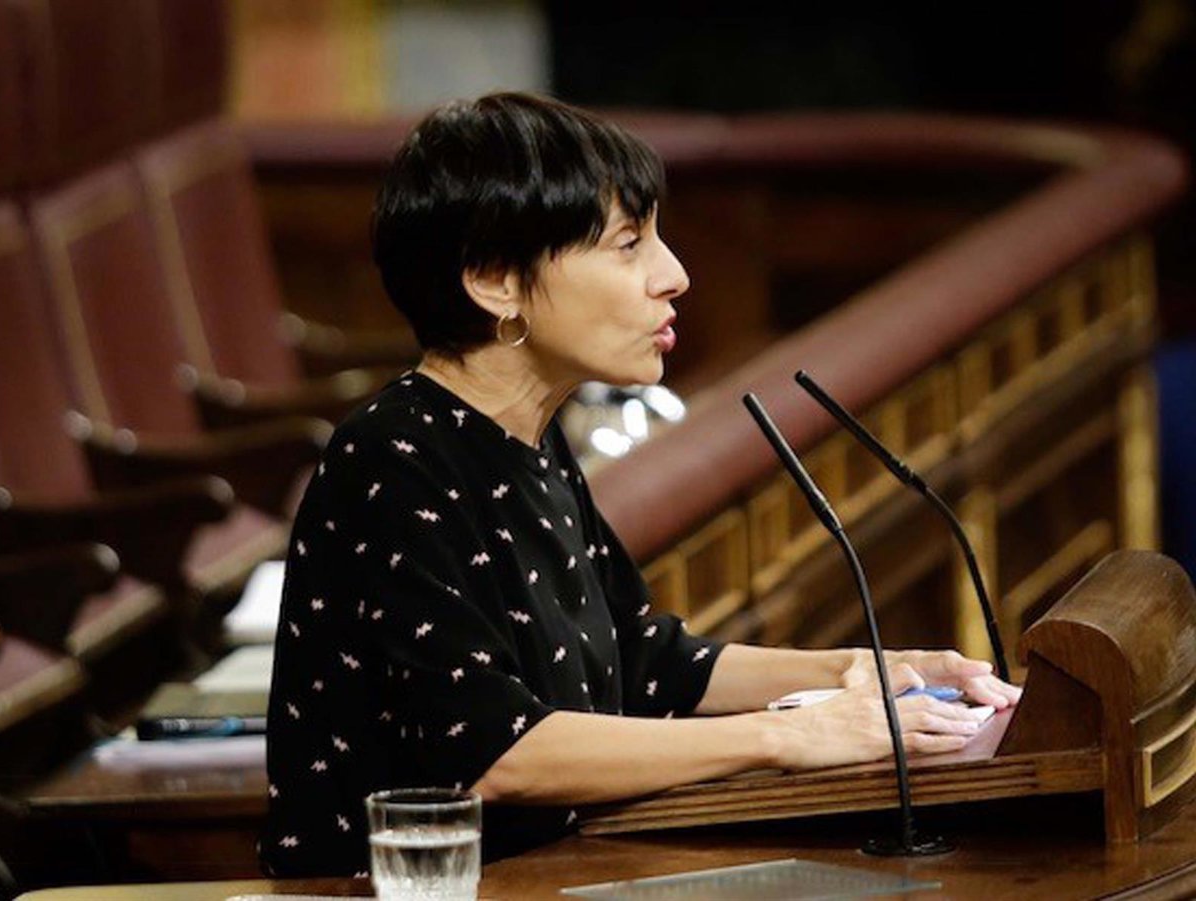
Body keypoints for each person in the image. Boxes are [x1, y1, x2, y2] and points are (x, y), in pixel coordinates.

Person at [259, 92, 1021, 877]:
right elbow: (496, 751)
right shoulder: (393, 458)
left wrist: (870, 673)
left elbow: (645, 659)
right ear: (494, 279)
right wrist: (791, 735)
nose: (676, 275)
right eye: (629, 245)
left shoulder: (527, 436)